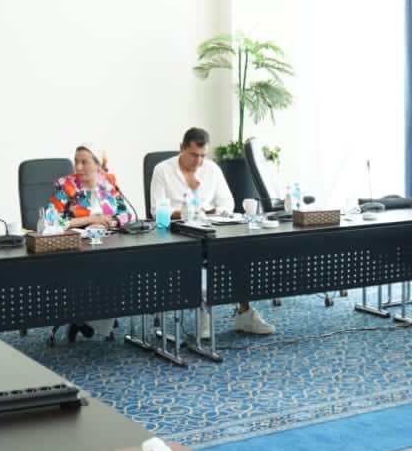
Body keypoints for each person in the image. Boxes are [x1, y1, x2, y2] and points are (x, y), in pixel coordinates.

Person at [149, 127, 274, 336]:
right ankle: (203, 314)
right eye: (193, 155)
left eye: (203, 156)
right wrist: (185, 212)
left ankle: (244, 314)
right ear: (181, 148)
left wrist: (215, 212)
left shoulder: (212, 169)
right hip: (177, 233)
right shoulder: (162, 170)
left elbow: (227, 203)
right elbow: (156, 210)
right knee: (192, 255)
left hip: (211, 229)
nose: (198, 161)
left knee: (240, 252)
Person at [48, 145, 136, 230]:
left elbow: (126, 214)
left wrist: (112, 223)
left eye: (84, 162)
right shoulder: (64, 185)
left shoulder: (109, 182)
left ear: (98, 165)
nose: (78, 167)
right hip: (77, 238)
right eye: (76, 162)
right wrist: (91, 220)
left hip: (109, 236)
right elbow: (52, 222)